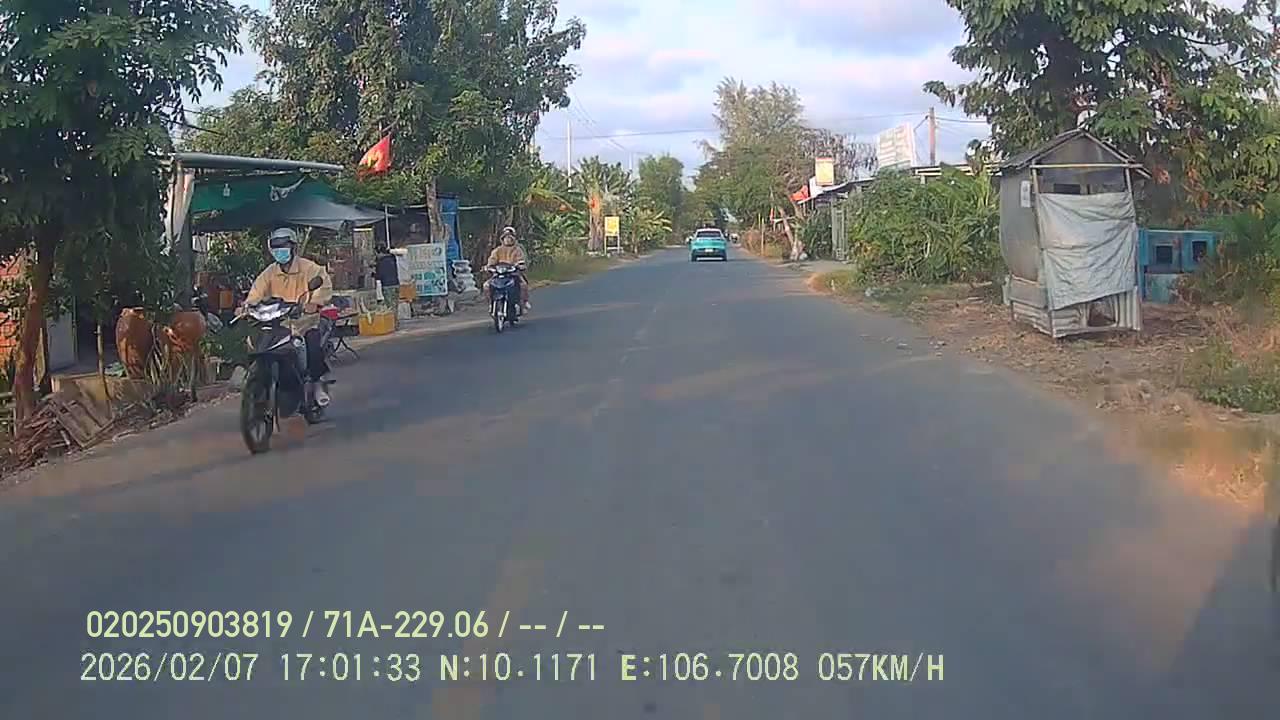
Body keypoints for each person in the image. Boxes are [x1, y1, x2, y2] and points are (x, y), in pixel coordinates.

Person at [244, 227, 335, 405]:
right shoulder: (269, 273)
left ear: (293, 247)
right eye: (276, 247)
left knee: (313, 345)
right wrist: (246, 306)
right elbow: (256, 292)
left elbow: (323, 285)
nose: (280, 251)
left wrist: (314, 303)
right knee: (258, 345)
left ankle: (317, 383)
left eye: (284, 246)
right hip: (278, 324)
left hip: (305, 322)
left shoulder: (310, 268)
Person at [484, 226, 531, 311]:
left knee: (523, 285)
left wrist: (520, 265)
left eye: (510, 237)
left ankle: (523, 303)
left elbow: (522, 261)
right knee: (486, 286)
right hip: (499, 274)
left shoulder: (518, 250)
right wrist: (488, 267)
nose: (508, 239)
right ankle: (491, 304)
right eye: (505, 237)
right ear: (502, 239)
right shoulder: (497, 250)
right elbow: (492, 260)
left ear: (513, 239)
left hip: (513, 274)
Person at [372, 244, 400, 308]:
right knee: (395, 305)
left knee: (390, 306)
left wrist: (374, 274)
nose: (376, 255)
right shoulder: (393, 259)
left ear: (379, 253)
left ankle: (392, 314)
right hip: (396, 284)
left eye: (376, 253)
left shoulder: (380, 262)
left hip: (387, 286)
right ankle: (395, 314)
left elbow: (379, 276)